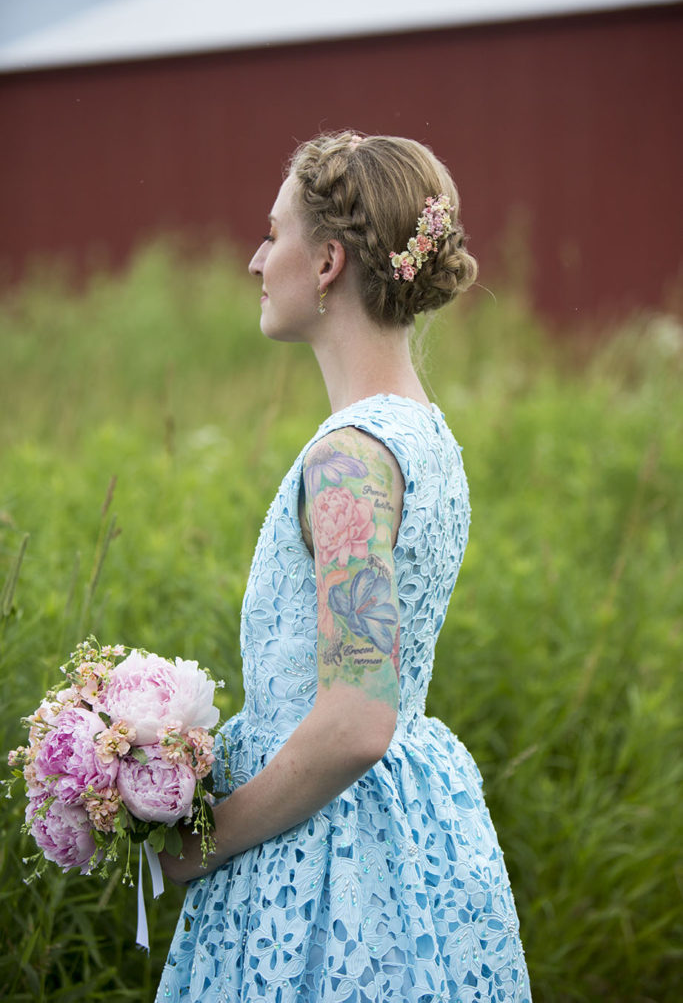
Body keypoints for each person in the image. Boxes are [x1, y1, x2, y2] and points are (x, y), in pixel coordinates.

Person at [156, 131, 531, 1002]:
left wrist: (203, 845)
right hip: (410, 819)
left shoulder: (350, 460)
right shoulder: (426, 435)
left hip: (328, 851)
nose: (256, 259)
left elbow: (359, 719)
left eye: (273, 234)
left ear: (326, 261)